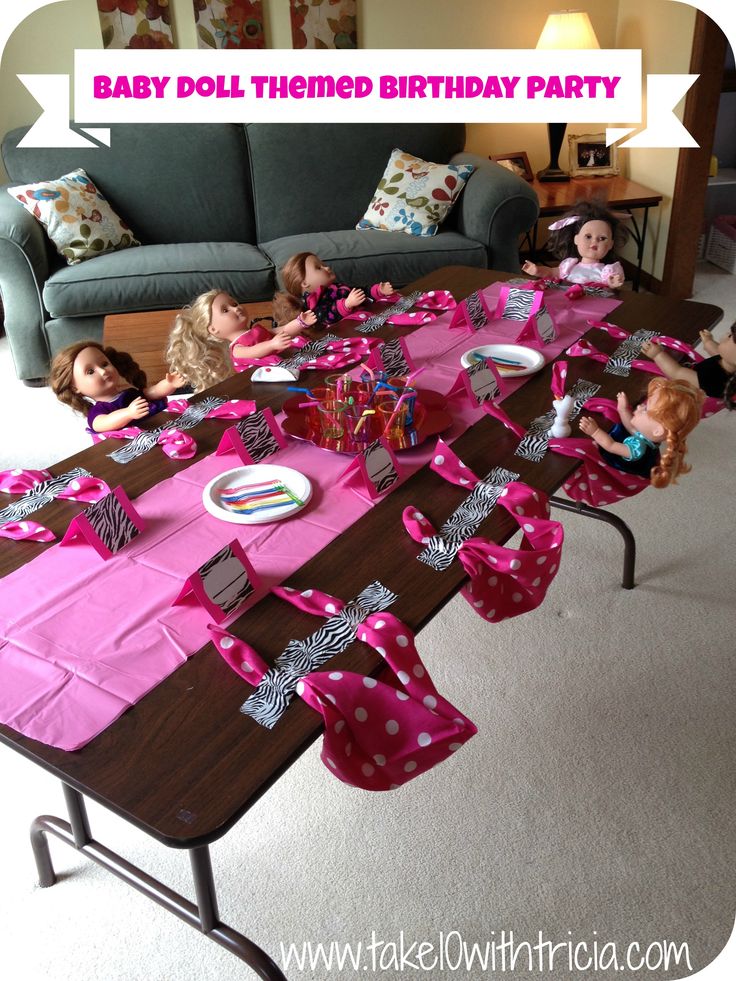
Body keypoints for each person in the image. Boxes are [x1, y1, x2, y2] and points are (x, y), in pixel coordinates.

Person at [166, 289, 315, 391]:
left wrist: (300, 323)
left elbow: (279, 331)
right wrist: (271, 344)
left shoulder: (256, 331)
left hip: (280, 365)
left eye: (234, 304)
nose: (235, 308)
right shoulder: (237, 348)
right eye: (225, 310)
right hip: (261, 380)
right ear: (213, 329)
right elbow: (251, 352)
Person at [578, 377, 704, 488]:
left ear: (657, 430)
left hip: (606, 467)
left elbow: (611, 446)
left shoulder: (637, 449)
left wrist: (595, 432)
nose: (639, 407)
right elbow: (632, 429)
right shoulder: (649, 438)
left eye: (645, 410)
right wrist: (622, 410)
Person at [50, 341, 183, 434]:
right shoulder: (99, 411)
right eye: (90, 372)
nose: (103, 372)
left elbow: (153, 392)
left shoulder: (130, 394)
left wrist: (169, 384)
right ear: (75, 388)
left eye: (104, 364)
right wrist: (128, 413)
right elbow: (102, 423)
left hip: (161, 428)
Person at [522, 201, 627, 288]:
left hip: (593, 304)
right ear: (576, 239)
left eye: (602, 238)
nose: (594, 242)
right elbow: (553, 272)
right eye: (588, 237)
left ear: (610, 244)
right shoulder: (570, 266)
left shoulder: (606, 271)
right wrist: (537, 270)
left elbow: (612, 285)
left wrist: (612, 282)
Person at [272, 252, 396, 327]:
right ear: (304, 283)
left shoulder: (335, 288)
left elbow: (358, 291)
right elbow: (325, 316)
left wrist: (378, 290)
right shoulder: (313, 302)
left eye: (323, 264)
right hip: (342, 331)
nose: (326, 267)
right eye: (318, 268)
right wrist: (346, 304)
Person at [641, 321, 736, 399]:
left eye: (730, 337)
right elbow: (719, 354)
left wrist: (657, 355)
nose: (727, 334)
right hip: (697, 371)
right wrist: (708, 342)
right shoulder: (730, 363)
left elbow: (677, 373)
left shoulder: (713, 381)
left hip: (689, 388)